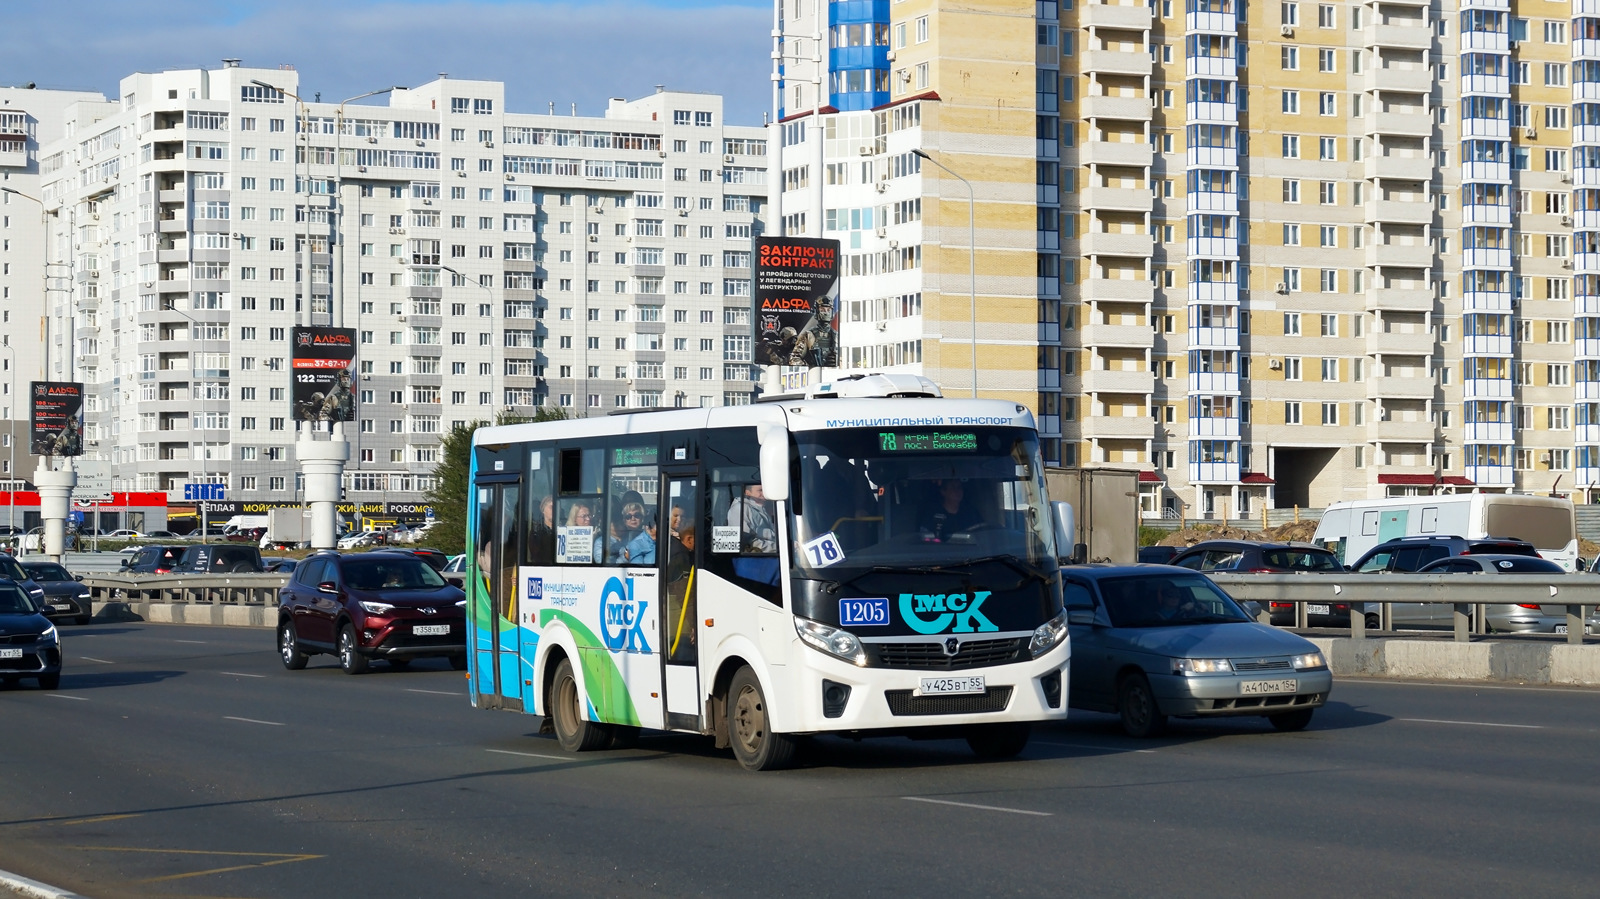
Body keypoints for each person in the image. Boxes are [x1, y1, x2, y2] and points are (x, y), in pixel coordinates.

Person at [727, 483, 776, 553]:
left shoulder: (762, 509)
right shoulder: (741, 508)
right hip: (753, 557)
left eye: (765, 490)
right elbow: (747, 540)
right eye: (760, 490)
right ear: (748, 493)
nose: (764, 493)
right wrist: (777, 547)